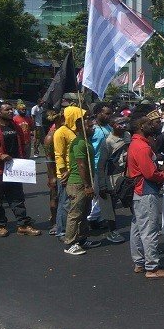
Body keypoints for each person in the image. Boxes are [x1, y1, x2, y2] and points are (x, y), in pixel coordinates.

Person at [127, 105, 164, 278]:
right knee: (149, 229)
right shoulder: (142, 147)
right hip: (146, 191)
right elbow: (150, 173)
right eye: (147, 123)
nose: (151, 125)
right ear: (141, 127)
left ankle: (140, 262)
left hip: (140, 190)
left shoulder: (138, 144)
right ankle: (152, 268)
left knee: (138, 228)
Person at [0, 101, 41, 237]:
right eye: (7, 109)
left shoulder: (15, 126)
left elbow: (24, 142)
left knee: (17, 198)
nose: (11, 111)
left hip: (14, 168)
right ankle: (0, 225)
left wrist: (25, 159)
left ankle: (23, 224)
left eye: (11, 109)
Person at [63, 114, 101, 255]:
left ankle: (81, 239)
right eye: (89, 126)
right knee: (75, 214)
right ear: (80, 128)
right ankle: (69, 243)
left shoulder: (86, 141)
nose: (93, 128)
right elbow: (81, 165)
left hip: (85, 182)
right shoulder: (78, 143)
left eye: (92, 126)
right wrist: (87, 185)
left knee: (84, 212)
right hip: (78, 183)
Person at [97, 116, 131, 244]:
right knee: (110, 206)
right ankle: (112, 231)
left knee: (131, 201)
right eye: (119, 123)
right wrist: (102, 185)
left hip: (126, 175)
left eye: (124, 123)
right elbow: (101, 165)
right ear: (113, 125)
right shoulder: (108, 141)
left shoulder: (127, 135)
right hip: (112, 177)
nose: (123, 126)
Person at [53, 105, 83, 240]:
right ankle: (62, 231)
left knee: (70, 204)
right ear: (72, 117)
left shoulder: (74, 131)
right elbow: (58, 154)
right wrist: (63, 171)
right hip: (65, 174)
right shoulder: (61, 132)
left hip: (74, 171)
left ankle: (70, 230)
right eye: (79, 116)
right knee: (65, 203)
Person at [88, 103, 113, 230]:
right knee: (96, 195)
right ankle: (91, 219)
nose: (110, 116)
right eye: (107, 113)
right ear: (98, 113)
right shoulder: (92, 129)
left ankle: (98, 218)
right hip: (95, 168)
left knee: (104, 195)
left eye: (110, 113)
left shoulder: (109, 127)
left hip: (107, 167)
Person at [43, 111, 64, 235]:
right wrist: (52, 177)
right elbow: (49, 158)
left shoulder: (64, 132)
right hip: (54, 171)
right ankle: (55, 222)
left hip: (64, 170)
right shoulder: (50, 137)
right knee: (54, 196)